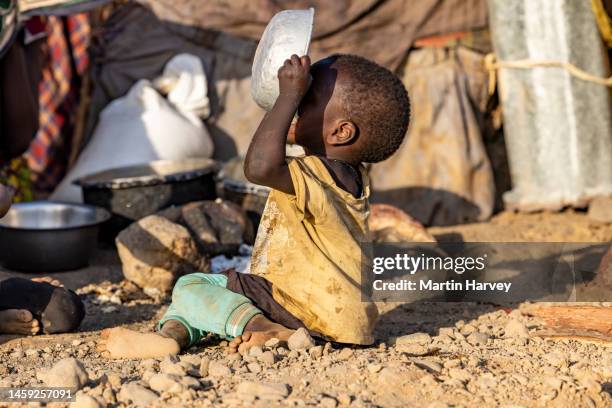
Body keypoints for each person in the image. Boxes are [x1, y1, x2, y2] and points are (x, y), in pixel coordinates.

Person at [97, 53, 410, 359]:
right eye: (299, 94)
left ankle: (267, 329)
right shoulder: (350, 177)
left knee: (191, 285)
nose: (297, 102)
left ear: (341, 132)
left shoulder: (320, 174)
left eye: (307, 98)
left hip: (304, 310)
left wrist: (285, 97)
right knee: (205, 300)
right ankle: (169, 338)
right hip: (339, 317)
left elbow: (259, 167)